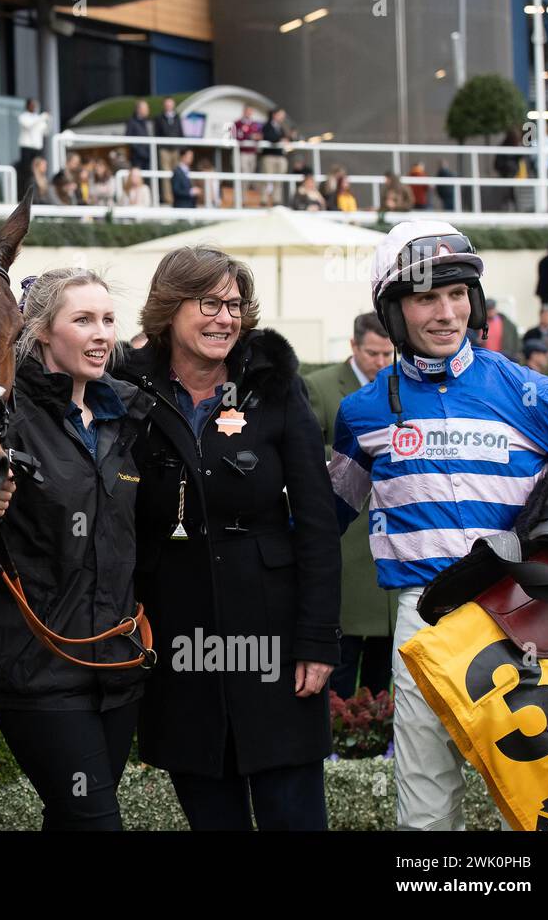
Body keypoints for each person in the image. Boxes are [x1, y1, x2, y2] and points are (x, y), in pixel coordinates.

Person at [329, 219, 548, 829]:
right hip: (425, 613)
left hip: (525, 610)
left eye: (456, 295)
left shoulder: (531, 392)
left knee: (540, 800)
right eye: (424, 298)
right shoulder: (361, 412)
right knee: (423, 802)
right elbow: (322, 518)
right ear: (392, 312)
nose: (445, 313)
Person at [0, 269, 151, 830]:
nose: (101, 334)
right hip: (35, 671)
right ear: (41, 332)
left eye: (108, 320)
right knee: (96, 822)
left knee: (72, 819)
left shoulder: (129, 414)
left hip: (117, 665)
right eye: (83, 320)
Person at [115, 245, 341, 830]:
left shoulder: (272, 383)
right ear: (169, 308)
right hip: (176, 633)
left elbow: (316, 521)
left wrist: (317, 639)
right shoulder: (123, 387)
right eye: (209, 303)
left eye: (234, 305)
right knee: (212, 815)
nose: (225, 318)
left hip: (276, 629)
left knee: (294, 813)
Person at [303, 313, 399, 700]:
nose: (380, 361)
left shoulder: (402, 387)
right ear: (354, 347)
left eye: (387, 354)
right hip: (347, 541)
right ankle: (339, 743)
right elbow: (304, 453)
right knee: (342, 664)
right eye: (373, 353)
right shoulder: (320, 386)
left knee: (383, 669)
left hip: (389, 541)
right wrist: (370, 449)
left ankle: (374, 738)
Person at [154, 97, 184, 204]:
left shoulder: (177, 117)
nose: (169, 106)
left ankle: (177, 196)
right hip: (164, 150)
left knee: (177, 174)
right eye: (167, 104)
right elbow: (157, 134)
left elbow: (181, 133)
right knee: (166, 175)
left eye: (170, 104)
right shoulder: (159, 118)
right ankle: (168, 199)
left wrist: (183, 149)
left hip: (176, 149)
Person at [258, 107, 291, 206]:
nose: (282, 117)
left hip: (280, 156)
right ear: (274, 115)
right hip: (269, 156)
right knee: (267, 178)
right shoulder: (267, 126)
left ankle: (277, 200)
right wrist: (280, 139)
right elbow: (269, 137)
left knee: (279, 180)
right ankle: (264, 200)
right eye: (281, 115)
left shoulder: (281, 127)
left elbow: (287, 138)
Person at [17, 98, 49, 192]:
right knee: (27, 171)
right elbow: (28, 125)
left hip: (37, 147)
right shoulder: (23, 116)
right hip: (27, 147)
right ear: (27, 106)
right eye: (32, 105)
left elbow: (46, 132)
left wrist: (47, 120)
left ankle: (38, 189)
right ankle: (25, 191)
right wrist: (41, 118)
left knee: (39, 170)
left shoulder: (38, 118)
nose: (34, 107)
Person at [233, 105, 262, 193]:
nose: (249, 113)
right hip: (243, 152)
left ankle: (244, 196)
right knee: (243, 174)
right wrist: (249, 136)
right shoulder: (238, 123)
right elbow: (236, 136)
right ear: (244, 111)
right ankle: (241, 198)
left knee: (250, 175)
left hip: (252, 152)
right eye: (247, 111)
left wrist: (257, 137)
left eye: (250, 111)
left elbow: (259, 135)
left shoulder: (254, 124)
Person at [126, 99, 153, 182]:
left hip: (147, 157)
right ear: (139, 109)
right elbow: (128, 138)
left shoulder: (145, 121)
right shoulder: (132, 122)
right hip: (137, 159)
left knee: (147, 180)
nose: (148, 110)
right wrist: (140, 151)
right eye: (145, 108)